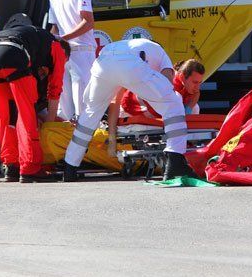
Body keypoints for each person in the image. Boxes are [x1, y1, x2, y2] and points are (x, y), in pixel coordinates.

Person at [61, 38, 193, 182]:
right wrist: (159, 99)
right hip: (129, 63)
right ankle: (175, 160)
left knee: (91, 112)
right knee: (173, 101)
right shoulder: (161, 53)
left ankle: (70, 166)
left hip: (103, 61)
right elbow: (167, 84)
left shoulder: (135, 45)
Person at [0, 14, 71, 182]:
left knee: (6, 115)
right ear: (65, 54)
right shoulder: (58, 48)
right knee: (25, 113)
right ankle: (30, 167)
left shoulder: (37, 40)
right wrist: (50, 126)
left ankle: (11, 165)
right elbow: (54, 90)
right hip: (13, 53)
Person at [41, 0, 96, 122]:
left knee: (82, 104)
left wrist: (63, 38)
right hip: (63, 53)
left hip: (82, 51)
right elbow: (55, 27)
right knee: (64, 106)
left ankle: (85, 135)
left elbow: (88, 22)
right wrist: (48, 44)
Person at [121, 58, 205, 116]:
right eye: (195, 82)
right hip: (131, 107)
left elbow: (196, 93)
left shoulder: (185, 84)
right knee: (178, 102)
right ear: (182, 76)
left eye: (199, 83)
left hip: (153, 107)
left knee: (194, 107)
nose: (197, 87)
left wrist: (189, 108)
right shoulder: (170, 82)